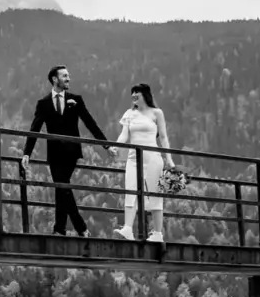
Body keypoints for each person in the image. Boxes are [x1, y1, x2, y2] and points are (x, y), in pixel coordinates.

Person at [21, 65, 108, 236]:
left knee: (61, 185)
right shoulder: (44, 103)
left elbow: (90, 122)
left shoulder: (76, 99)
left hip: (71, 152)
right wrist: (26, 153)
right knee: (62, 187)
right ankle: (62, 229)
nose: (68, 79)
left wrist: (105, 144)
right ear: (55, 79)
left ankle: (75, 227)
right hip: (54, 154)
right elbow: (34, 129)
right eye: (65, 76)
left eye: (68, 76)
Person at [114, 82, 175, 243]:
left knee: (155, 193)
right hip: (134, 157)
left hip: (153, 157)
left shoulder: (156, 113)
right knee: (131, 190)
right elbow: (124, 135)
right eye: (132, 93)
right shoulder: (129, 114)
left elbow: (163, 137)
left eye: (137, 93)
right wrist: (116, 146)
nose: (133, 95)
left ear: (145, 95)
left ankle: (157, 233)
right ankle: (128, 228)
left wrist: (169, 159)